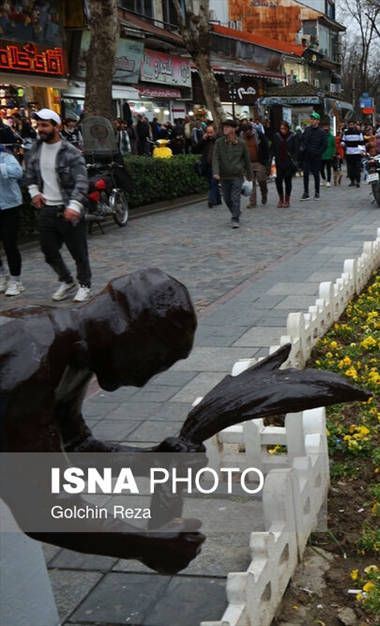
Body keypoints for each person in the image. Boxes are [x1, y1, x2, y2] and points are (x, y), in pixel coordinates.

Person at [0, 268, 207, 573]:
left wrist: (149, 462)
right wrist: (145, 543)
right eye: (153, 361)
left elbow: (74, 446)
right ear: (128, 334)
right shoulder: (29, 362)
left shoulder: (72, 351)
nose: (144, 379)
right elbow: (43, 510)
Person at [23, 109, 92, 302]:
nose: (40, 129)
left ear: (57, 127)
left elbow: (81, 181)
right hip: (48, 208)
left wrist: (75, 206)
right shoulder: (36, 148)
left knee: (79, 252)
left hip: (68, 208)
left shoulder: (71, 152)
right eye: (38, 125)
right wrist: (34, 192)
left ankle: (85, 285)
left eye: (45, 125)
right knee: (48, 250)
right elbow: (30, 175)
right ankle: (67, 281)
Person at [212, 119, 253, 228]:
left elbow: (247, 160)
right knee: (227, 198)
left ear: (234, 129)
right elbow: (215, 158)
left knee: (235, 197)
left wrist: (250, 175)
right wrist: (216, 172)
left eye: (228, 127)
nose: (225, 128)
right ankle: (236, 211)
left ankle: (235, 219)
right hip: (224, 175)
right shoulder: (219, 142)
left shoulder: (242, 144)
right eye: (224, 126)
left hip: (237, 175)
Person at [0, 141, 24, 296]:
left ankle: (16, 281)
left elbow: (18, 172)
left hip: (9, 206)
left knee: (10, 245)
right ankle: (2, 275)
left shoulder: (5, 155)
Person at [270, 120, 300, 207]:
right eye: (281, 128)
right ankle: (280, 199)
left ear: (287, 128)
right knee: (278, 182)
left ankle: (287, 200)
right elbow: (272, 148)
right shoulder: (276, 136)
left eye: (284, 129)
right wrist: (272, 157)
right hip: (278, 163)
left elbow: (296, 149)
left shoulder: (292, 137)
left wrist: (293, 158)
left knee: (288, 182)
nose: (282, 130)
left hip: (288, 164)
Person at [192, 123, 220, 208]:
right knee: (211, 184)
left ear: (215, 132)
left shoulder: (219, 140)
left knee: (214, 183)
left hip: (216, 166)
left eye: (211, 132)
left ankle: (211, 199)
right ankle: (218, 199)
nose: (209, 134)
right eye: (208, 132)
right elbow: (196, 149)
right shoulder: (205, 140)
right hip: (207, 165)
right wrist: (203, 140)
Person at [242, 124, 270, 208]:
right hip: (248, 163)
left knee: (262, 180)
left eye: (248, 133)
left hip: (259, 161)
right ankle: (252, 202)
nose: (247, 135)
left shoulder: (259, 135)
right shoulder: (241, 137)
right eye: (246, 133)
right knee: (251, 182)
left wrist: (265, 159)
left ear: (251, 130)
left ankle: (264, 193)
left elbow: (265, 147)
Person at [300, 113, 326, 200]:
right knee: (306, 173)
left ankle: (317, 192)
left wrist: (318, 152)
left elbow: (324, 145)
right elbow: (303, 140)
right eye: (311, 119)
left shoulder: (321, 132)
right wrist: (302, 148)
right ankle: (306, 192)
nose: (312, 121)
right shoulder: (307, 130)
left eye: (314, 119)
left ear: (318, 121)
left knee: (316, 174)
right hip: (307, 156)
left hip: (316, 157)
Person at [342, 120, 365, 188]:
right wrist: (342, 143)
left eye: (352, 124)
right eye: (350, 125)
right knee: (350, 167)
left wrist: (363, 151)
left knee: (357, 167)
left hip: (357, 152)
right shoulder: (346, 133)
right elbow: (343, 140)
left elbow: (361, 142)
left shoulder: (358, 133)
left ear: (354, 125)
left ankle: (358, 180)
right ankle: (352, 180)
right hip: (349, 152)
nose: (351, 126)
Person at [321, 118, 335, 189]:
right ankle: (323, 178)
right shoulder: (320, 136)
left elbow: (333, 145)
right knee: (321, 168)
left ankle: (328, 181)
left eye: (326, 127)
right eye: (324, 127)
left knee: (328, 168)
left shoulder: (332, 137)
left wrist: (333, 152)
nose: (325, 128)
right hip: (322, 154)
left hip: (329, 154)